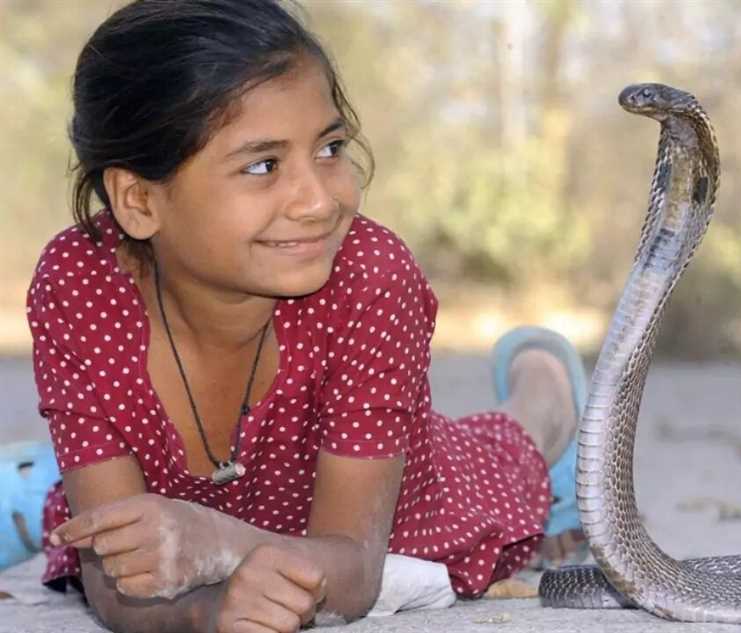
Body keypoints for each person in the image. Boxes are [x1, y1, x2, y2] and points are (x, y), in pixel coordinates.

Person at [21, 1, 586, 631]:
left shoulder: (368, 274)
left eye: (330, 147)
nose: (320, 201)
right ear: (138, 200)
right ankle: (40, 473)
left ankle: (547, 383)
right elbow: (114, 576)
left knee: (510, 447)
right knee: (86, 502)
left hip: (389, 500)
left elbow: (352, 571)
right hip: (185, 516)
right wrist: (210, 612)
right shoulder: (79, 281)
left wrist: (220, 544)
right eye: (263, 166)